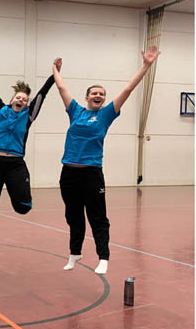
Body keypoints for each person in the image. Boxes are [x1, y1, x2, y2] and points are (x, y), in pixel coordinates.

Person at [53, 46, 160, 275]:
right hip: (68, 173)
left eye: (102, 93)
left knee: (97, 216)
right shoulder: (75, 112)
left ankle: (103, 257)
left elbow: (128, 89)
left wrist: (146, 65)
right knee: (73, 216)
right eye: (94, 93)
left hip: (91, 174)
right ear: (87, 97)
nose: (98, 96)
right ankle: (74, 253)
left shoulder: (106, 114)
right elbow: (61, 87)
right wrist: (55, 69)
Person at [0, 56, 59, 217]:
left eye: (24, 99)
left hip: (15, 163)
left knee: (24, 207)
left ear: (27, 104)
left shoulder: (28, 116)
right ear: (12, 100)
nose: (20, 100)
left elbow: (43, 94)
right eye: (18, 97)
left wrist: (54, 74)